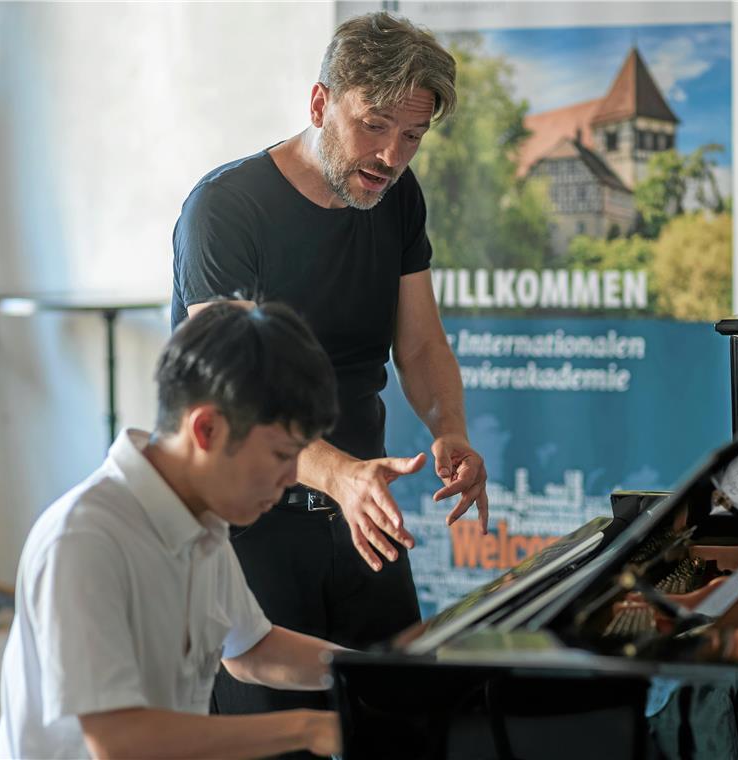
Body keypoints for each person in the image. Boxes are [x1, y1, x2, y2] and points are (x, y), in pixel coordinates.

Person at [171, 10, 490, 734]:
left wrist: (451, 428)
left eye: (412, 136)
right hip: (249, 522)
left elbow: (420, 347)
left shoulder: (397, 199)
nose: (391, 155)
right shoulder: (225, 211)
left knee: (405, 723)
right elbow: (232, 393)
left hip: (362, 519)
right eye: (374, 125)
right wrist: (340, 473)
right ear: (320, 104)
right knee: (276, 742)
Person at [0, 302, 343, 759]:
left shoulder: (203, 519)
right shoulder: (83, 541)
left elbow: (251, 649)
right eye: (282, 454)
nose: (293, 476)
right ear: (207, 429)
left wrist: (387, 677)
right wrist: (308, 729)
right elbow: (118, 742)